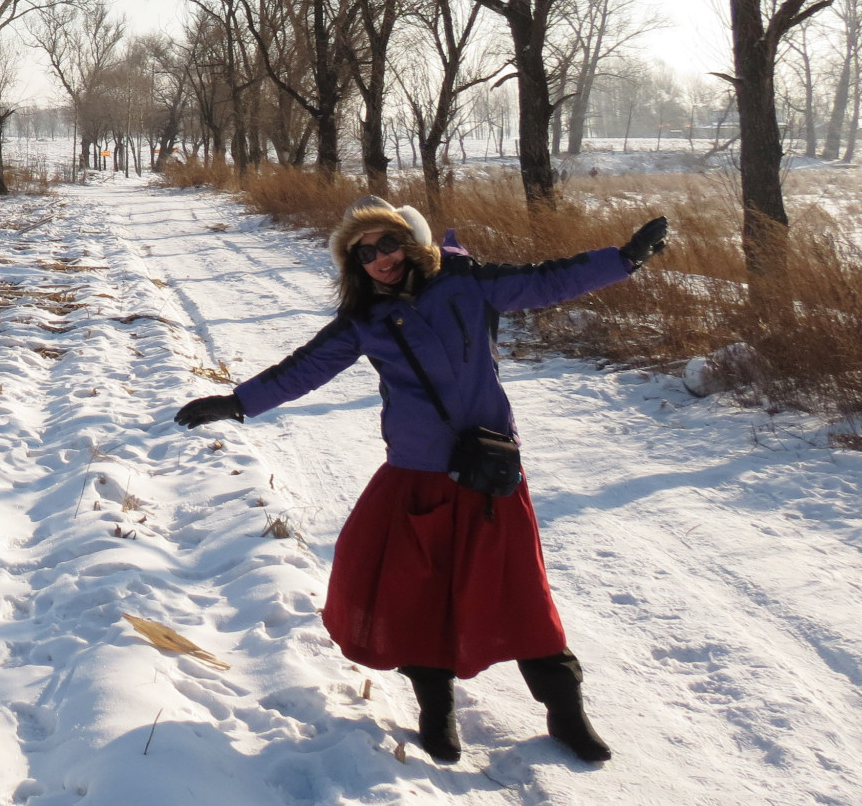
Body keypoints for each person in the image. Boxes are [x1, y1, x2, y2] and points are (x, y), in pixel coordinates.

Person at [176, 195, 669, 765]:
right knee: (417, 598)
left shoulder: (468, 283)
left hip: (489, 476)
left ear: (412, 243)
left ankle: (566, 713)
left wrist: (624, 259)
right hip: (417, 476)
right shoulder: (365, 320)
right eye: (364, 254)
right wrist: (237, 403)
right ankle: (437, 715)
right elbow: (304, 368)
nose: (379, 259)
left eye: (388, 244)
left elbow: (547, 282)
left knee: (522, 594)